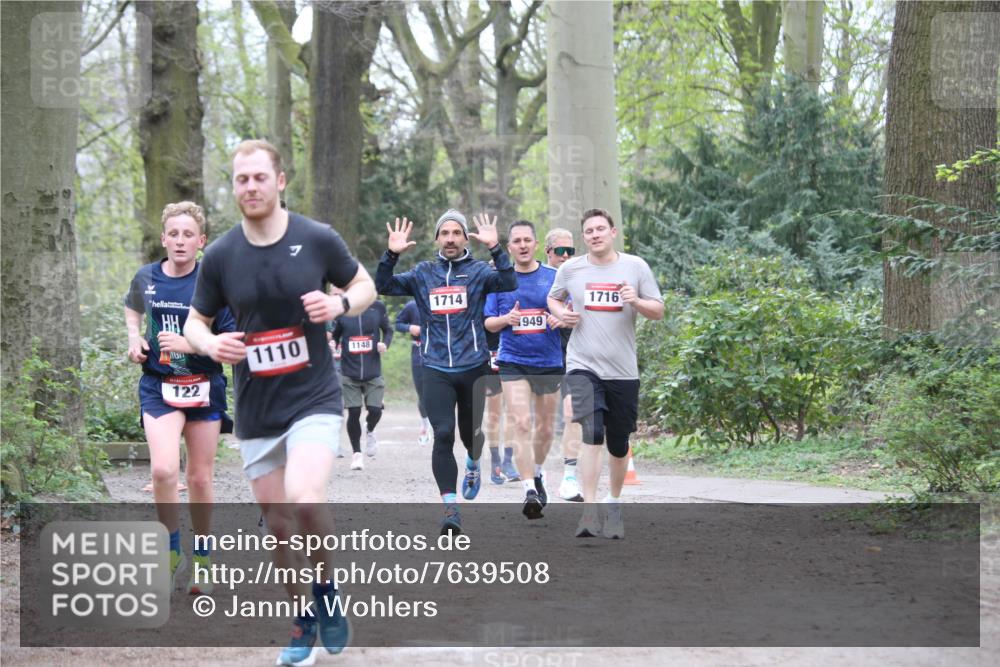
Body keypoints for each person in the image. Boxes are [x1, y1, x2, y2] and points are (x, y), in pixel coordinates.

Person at [184, 139, 376, 666]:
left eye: (259, 178)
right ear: (234, 186)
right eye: (241, 179)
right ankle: (302, 623)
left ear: (280, 181)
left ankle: (328, 591)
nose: (250, 187)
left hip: (313, 396)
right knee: (278, 527)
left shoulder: (316, 238)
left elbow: (365, 285)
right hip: (257, 407)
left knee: (306, 496)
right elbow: (194, 322)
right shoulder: (221, 254)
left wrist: (337, 303)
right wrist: (209, 344)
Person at [375, 212, 516, 534]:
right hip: (435, 366)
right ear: (437, 239)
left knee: (471, 436)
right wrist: (391, 254)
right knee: (442, 433)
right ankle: (451, 509)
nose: (450, 238)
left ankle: (472, 463)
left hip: (473, 367)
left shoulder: (480, 272)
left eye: (456, 233)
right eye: (445, 233)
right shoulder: (424, 273)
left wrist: (496, 248)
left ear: (466, 238)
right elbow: (383, 285)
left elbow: (509, 282)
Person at [125, 200, 234, 595]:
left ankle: (203, 556)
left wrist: (189, 344)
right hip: (158, 387)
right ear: (163, 238)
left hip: (203, 387)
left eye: (189, 234)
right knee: (163, 472)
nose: (180, 241)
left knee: (200, 478)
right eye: (174, 233)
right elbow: (133, 310)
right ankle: (172, 549)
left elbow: (227, 341)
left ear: (201, 241)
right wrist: (134, 338)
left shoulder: (214, 283)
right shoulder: (146, 277)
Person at [547, 208, 664, 539]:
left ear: (613, 233)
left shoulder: (635, 266)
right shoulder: (571, 270)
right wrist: (562, 314)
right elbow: (552, 300)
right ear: (583, 237)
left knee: (618, 442)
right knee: (591, 431)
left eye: (601, 229)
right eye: (589, 231)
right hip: (583, 364)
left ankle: (613, 503)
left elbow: (658, 310)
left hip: (623, 370)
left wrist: (635, 300)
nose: (595, 234)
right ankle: (589, 512)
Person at [485, 220, 565, 519]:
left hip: (549, 362)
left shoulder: (554, 277)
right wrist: (507, 319)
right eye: (516, 241)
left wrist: (560, 319)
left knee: (545, 430)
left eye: (526, 240)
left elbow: (570, 313)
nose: (521, 245)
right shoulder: (499, 280)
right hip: (513, 361)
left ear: (535, 244)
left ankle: (538, 472)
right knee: (521, 424)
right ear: (509, 248)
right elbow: (488, 322)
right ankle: (528, 488)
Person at [543, 227, 584, 502]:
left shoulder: (580, 277)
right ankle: (536, 471)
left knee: (573, 413)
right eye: (561, 251)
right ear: (548, 252)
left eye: (571, 250)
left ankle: (569, 476)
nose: (567, 256)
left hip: (574, 354)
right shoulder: (538, 277)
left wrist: (570, 317)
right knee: (542, 420)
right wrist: (552, 315)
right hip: (541, 354)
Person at [330, 300, 393, 470]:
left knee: (375, 410)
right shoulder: (342, 309)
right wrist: (334, 344)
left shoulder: (378, 307)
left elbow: (388, 330)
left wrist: (384, 344)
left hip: (373, 371)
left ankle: (370, 429)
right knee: (354, 411)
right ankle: (357, 454)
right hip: (349, 372)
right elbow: (336, 334)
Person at [394, 299, 431, 445]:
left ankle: (441, 426)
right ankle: (425, 424)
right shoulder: (411, 305)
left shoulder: (439, 300)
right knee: (422, 393)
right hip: (418, 355)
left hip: (440, 353)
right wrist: (409, 328)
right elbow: (397, 324)